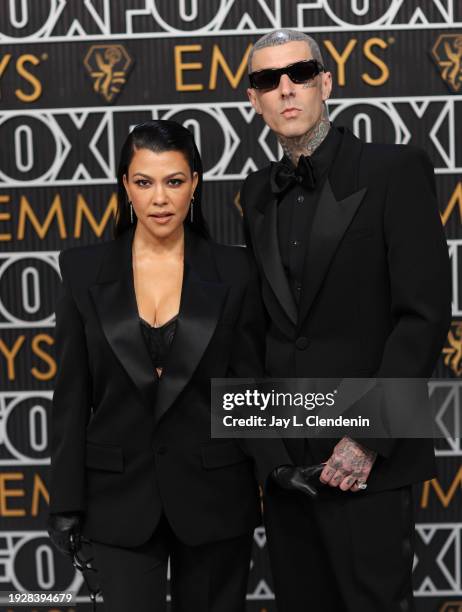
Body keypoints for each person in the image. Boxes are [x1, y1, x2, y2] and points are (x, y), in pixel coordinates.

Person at [241, 29, 452, 612]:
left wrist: (366, 438)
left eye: (300, 74)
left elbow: (423, 316)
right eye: (266, 80)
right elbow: (256, 333)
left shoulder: (394, 169)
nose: (285, 90)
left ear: (325, 83)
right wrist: (270, 461)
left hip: (368, 462)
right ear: (253, 101)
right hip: (289, 468)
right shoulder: (254, 194)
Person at [46, 119, 291, 612]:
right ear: (125, 186)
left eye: (174, 181)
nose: (160, 198)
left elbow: (247, 386)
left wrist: (280, 469)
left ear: (195, 184)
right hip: (117, 499)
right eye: (144, 182)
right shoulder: (81, 269)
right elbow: (72, 394)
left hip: (215, 494)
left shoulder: (236, 270)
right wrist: (66, 500)